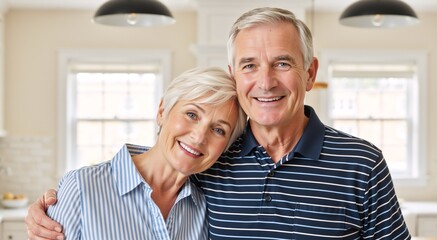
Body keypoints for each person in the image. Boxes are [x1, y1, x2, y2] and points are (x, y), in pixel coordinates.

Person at [26, 7, 411, 240]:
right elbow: (163, 164)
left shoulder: (362, 163)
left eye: (282, 63)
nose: (265, 82)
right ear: (236, 75)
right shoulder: (214, 165)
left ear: (309, 73)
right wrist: (55, 204)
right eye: (250, 65)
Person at [26, 66, 246, 239]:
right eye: (192, 114)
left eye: (219, 130)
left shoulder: (205, 208)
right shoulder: (81, 187)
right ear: (162, 111)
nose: (199, 136)